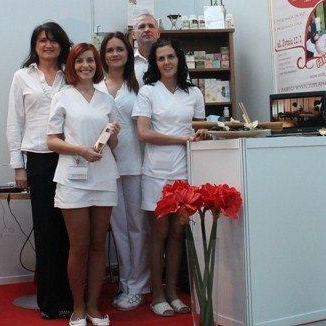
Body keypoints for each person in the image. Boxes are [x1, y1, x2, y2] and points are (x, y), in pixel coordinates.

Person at [47, 42, 121, 326]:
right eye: (79, 61)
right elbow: (52, 141)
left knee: (99, 245)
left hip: (103, 177)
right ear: (72, 66)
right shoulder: (62, 97)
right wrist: (80, 150)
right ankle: (77, 307)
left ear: (96, 64)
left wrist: (113, 133)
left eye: (90, 60)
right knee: (79, 245)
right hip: (73, 179)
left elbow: (113, 143)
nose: (85, 66)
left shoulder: (106, 100)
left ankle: (93, 306)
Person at [132, 39, 207, 317]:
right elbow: (144, 133)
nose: (167, 62)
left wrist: (200, 134)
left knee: (177, 233)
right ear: (155, 63)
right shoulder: (148, 92)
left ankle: (173, 293)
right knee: (159, 234)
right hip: (155, 173)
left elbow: (199, 128)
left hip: (185, 171)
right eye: (161, 58)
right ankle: (158, 294)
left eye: (171, 57)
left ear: (179, 59)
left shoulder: (193, 93)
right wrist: (183, 138)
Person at [6, 21, 74, 319]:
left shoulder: (71, 74)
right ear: (35, 46)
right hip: (38, 159)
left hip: (71, 157)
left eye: (54, 40)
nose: (49, 45)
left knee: (71, 231)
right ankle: (50, 302)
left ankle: (73, 299)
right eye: (43, 40)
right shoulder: (22, 76)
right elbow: (14, 123)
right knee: (46, 231)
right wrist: (18, 166)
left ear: (62, 44)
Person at [98, 32, 150, 311]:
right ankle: (125, 283)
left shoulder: (138, 83)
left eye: (120, 49)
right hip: (106, 164)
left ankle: (139, 285)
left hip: (135, 162)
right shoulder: (96, 86)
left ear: (128, 53)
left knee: (137, 226)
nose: (115, 54)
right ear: (103, 55)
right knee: (118, 227)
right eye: (110, 50)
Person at [132, 13, 161, 85]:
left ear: (158, 33)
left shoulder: (169, 61)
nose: (147, 29)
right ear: (133, 34)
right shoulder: (127, 63)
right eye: (142, 26)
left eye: (151, 26)